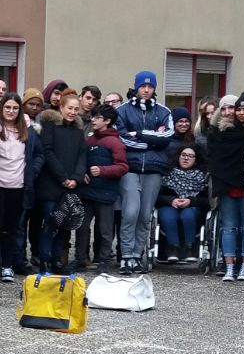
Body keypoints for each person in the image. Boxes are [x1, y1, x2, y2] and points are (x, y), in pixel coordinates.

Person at [114, 70, 173, 274]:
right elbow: (121, 138)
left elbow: (167, 136)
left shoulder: (163, 111)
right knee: (131, 212)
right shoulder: (122, 110)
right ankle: (126, 256)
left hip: (153, 169)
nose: (146, 90)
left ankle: (138, 255)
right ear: (137, 87)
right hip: (130, 167)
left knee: (145, 214)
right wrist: (150, 143)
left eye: (150, 87)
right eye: (143, 86)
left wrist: (139, 134)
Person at [35, 90, 88, 271]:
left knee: (65, 224)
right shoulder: (50, 127)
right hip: (52, 184)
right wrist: (63, 177)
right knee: (50, 222)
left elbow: (82, 155)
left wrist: (76, 178)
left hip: (71, 185)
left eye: (76, 109)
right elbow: (48, 152)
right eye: (69, 108)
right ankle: (44, 258)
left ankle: (57, 258)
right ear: (61, 107)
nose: (72, 112)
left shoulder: (78, 131)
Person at [209, 91, 244, 281]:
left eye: (243, 109)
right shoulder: (220, 132)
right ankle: (229, 267)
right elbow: (214, 159)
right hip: (226, 186)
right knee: (229, 227)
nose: (237, 112)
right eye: (236, 109)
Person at [0, 93, 36, 281]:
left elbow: (35, 155)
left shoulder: (26, 132)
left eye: (15, 108)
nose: (11, 111)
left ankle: (6, 265)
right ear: (2, 109)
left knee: (11, 227)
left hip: (18, 186)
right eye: (7, 107)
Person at [80, 104, 128, 271]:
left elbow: (122, 167)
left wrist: (102, 170)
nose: (93, 120)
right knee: (82, 226)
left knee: (105, 230)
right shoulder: (90, 140)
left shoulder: (115, 143)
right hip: (87, 192)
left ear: (107, 121)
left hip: (106, 194)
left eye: (97, 117)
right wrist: (83, 172)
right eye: (93, 116)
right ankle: (80, 258)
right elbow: (82, 161)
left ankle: (103, 260)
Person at [157, 144, 208, 262]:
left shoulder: (203, 178)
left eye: (190, 156)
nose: (186, 158)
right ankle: (172, 248)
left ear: (196, 161)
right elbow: (156, 197)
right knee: (168, 216)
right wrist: (171, 200)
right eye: (184, 155)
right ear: (178, 157)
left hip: (193, 207)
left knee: (188, 215)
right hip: (169, 205)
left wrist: (191, 201)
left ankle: (190, 248)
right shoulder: (166, 174)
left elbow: (208, 201)